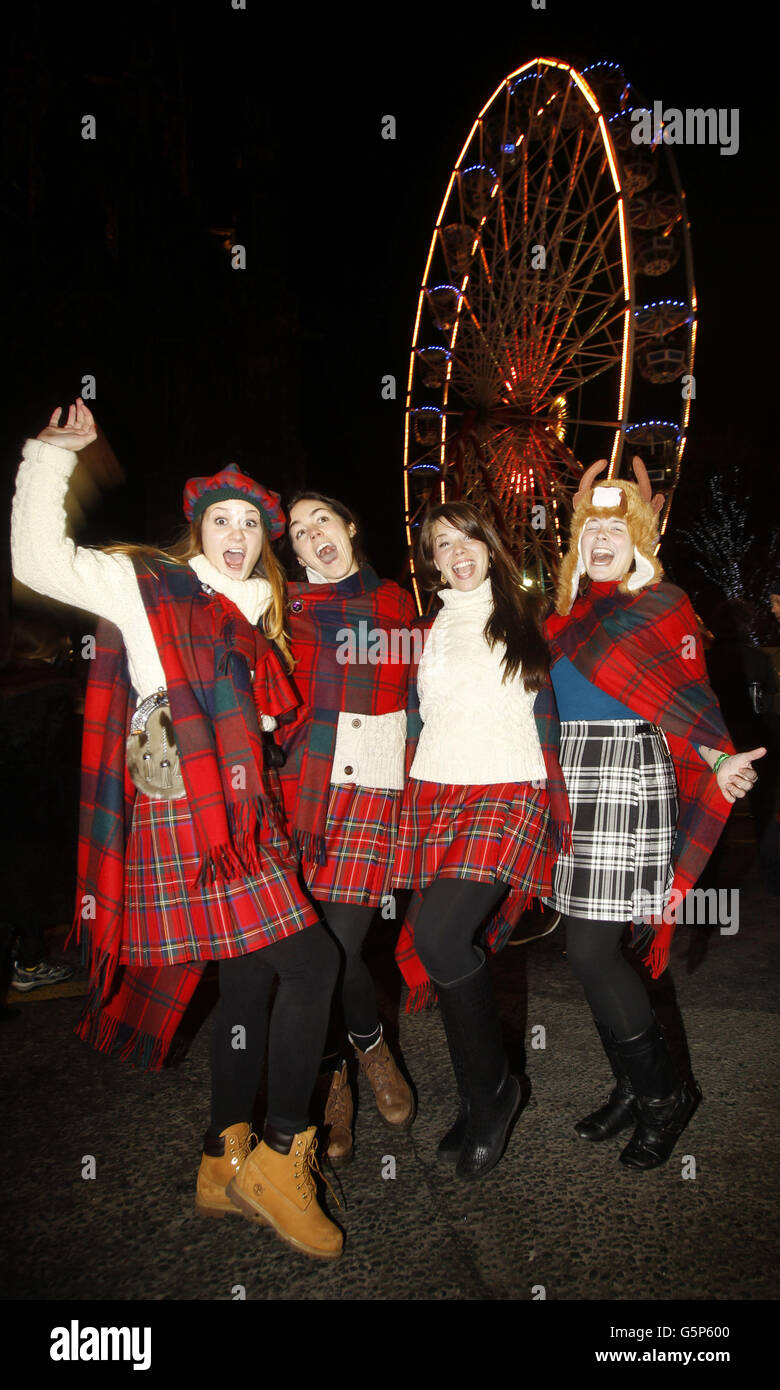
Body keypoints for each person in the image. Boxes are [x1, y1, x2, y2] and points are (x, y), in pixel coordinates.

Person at [11, 399, 343, 1259]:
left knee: (244, 989)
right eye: (219, 519)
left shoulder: (261, 617)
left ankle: (219, 1158)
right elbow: (38, 559)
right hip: (190, 814)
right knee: (313, 963)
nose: (234, 533)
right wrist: (51, 461)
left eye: (248, 523)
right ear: (195, 528)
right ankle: (279, 1153)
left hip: (242, 816)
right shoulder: (150, 583)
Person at [544, 457, 765, 1170]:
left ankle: (665, 1095)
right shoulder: (560, 619)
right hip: (573, 781)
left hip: (628, 778)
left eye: (616, 527)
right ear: (577, 542)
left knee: (591, 950)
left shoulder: (663, 604)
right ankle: (636, 1087)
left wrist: (716, 760)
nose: (601, 538)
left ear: (637, 538)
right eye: (591, 529)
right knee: (593, 955)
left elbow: (687, 698)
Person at [392, 501, 571, 1181]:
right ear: (431, 560)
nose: (458, 552)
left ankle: (496, 1095)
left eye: (469, 539)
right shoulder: (424, 630)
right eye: (443, 544)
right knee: (443, 947)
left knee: (439, 937)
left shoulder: (531, 618)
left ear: (490, 547)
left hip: (508, 791)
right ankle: (480, 1093)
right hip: (440, 793)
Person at [282, 492, 415, 1163]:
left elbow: (424, 692)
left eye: (322, 521)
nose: (312, 536)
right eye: (299, 533)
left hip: (370, 789)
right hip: (299, 794)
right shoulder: (283, 611)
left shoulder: (394, 605)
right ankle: (350, 1067)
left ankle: (357, 1060)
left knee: (337, 943)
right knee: (316, 950)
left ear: (352, 524)